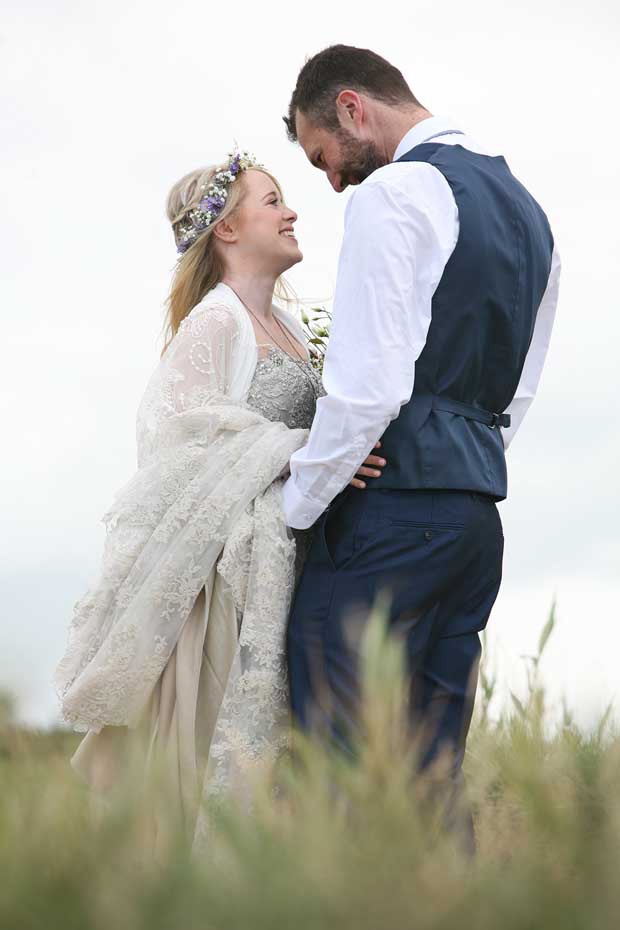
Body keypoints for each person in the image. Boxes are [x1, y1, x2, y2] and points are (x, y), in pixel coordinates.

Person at [53, 150, 386, 845]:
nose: (291, 211)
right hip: (228, 587)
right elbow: (176, 444)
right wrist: (301, 450)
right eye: (272, 200)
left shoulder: (291, 333)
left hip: (290, 559)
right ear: (227, 231)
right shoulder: (216, 323)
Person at [282, 45, 561, 842]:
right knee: (434, 765)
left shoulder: (396, 194)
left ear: (350, 108)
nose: (333, 181)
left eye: (324, 158)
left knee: (341, 745)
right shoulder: (531, 214)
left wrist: (300, 506)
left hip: (391, 511)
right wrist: (463, 461)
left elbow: (366, 389)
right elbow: (518, 394)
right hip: (477, 520)